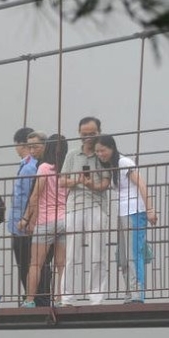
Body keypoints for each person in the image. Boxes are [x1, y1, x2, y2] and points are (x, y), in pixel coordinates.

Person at [94, 134, 158, 303]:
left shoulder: (123, 163)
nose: (100, 154)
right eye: (97, 152)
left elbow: (141, 184)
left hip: (135, 211)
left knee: (133, 254)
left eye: (103, 150)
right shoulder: (112, 166)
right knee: (123, 257)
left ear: (112, 148)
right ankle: (130, 292)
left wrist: (150, 209)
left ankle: (138, 293)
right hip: (123, 213)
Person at [58, 116, 111, 306]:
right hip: (74, 207)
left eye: (92, 134)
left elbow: (106, 183)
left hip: (96, 206)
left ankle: (96, 297)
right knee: (72, 254)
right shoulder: (72, 155)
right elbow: (62, 181)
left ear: (99, 133)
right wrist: (78, 181)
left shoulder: (103, 154)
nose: (88, 138)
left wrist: (92, 185)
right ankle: (67, 296)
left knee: (98, 253)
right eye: (84, 134)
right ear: (79, 134)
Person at [20, 134, 69, 308]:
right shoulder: (67, 169)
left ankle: (29, 300)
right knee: (61, 264)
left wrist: (27, 219)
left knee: (35, 263)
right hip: (65, 220)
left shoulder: (44, 168)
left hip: (45, 221)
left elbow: (35, 196)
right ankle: (61, 299)